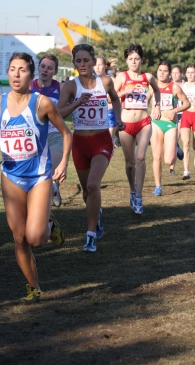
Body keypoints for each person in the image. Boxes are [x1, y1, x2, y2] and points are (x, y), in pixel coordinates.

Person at [0, 52, 72, 303]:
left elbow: (66, 133)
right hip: (10, 176)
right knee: (18, 237)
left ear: (30, 75)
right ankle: (34, 287)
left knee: (36, 238)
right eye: (12, 69)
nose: (16, 74)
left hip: (40, 176)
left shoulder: (42, 103)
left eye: (22, 70)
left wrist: (63, 162)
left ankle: (49, 226)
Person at [57, 44, 125, 252]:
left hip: (101, 141)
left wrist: (119, 118)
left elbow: (115, 98)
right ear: (74, 63)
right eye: (78, 60)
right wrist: (77, 104)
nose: (82, 64)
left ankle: (90, 234)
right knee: (87, 192)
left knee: (94, 185)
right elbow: (58, 112)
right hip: (80, 143)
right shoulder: (70, 86)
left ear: (94, 61)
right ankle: (97, 214)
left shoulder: (104, 82)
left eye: (86, 60)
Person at [114, 43, 161, 214]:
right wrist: (125, 92)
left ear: (141, 60)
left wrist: (156, 106)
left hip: (143, 122)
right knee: (130, 163)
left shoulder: (148, 77)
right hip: (126, 124)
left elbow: (156, 91)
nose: (134, 62)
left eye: (137, 59)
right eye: (131, 59)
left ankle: (139, 196)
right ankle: (132, 190)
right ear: (126, 60)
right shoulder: (121, 77)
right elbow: (110, 97)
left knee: (140, 157)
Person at [149, 61, 190, 195]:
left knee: (169, 160)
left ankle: (175, 148)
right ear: (157, 71)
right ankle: (158, 186)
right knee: (157, 157)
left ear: (169, 73)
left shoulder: (174, 87)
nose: (162, 73)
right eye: (160, 70)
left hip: (171, 124)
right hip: (156, 123)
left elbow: (187, 103)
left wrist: (175, 110)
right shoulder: (152, 86)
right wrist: (152, 109)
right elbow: (144, 102)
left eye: (165, 71)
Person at [30, 54, 63, 207]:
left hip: (55, 135)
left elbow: (68, 107)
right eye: (43, 66)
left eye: (50, 68)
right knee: (37, 176)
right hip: (34, 138)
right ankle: (53, 188)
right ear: (38, 67)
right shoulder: (29, 87)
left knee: (48, 171)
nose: (45, 70)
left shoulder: (60, 87)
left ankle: (53, 187)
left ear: (55, 72)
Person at [94, 55, 118, 145]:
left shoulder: (111, 80)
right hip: (95, 116)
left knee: (107, 144)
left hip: (109, 114)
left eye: (100, 65)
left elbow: (115, 99)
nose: (97, 67)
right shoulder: (90, 80)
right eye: (95, 64)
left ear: (105, 66)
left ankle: (113, 140)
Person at [169, 65, 185, 175]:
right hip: (170, 115)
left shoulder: (184, 85)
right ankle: (178, 149)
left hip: (182, 115)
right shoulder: (168, 85)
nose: (175, 75)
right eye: (173, 73)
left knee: (174, 139)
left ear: (181, 74)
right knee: (171, 141)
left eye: (177, 73)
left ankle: (171, 168)